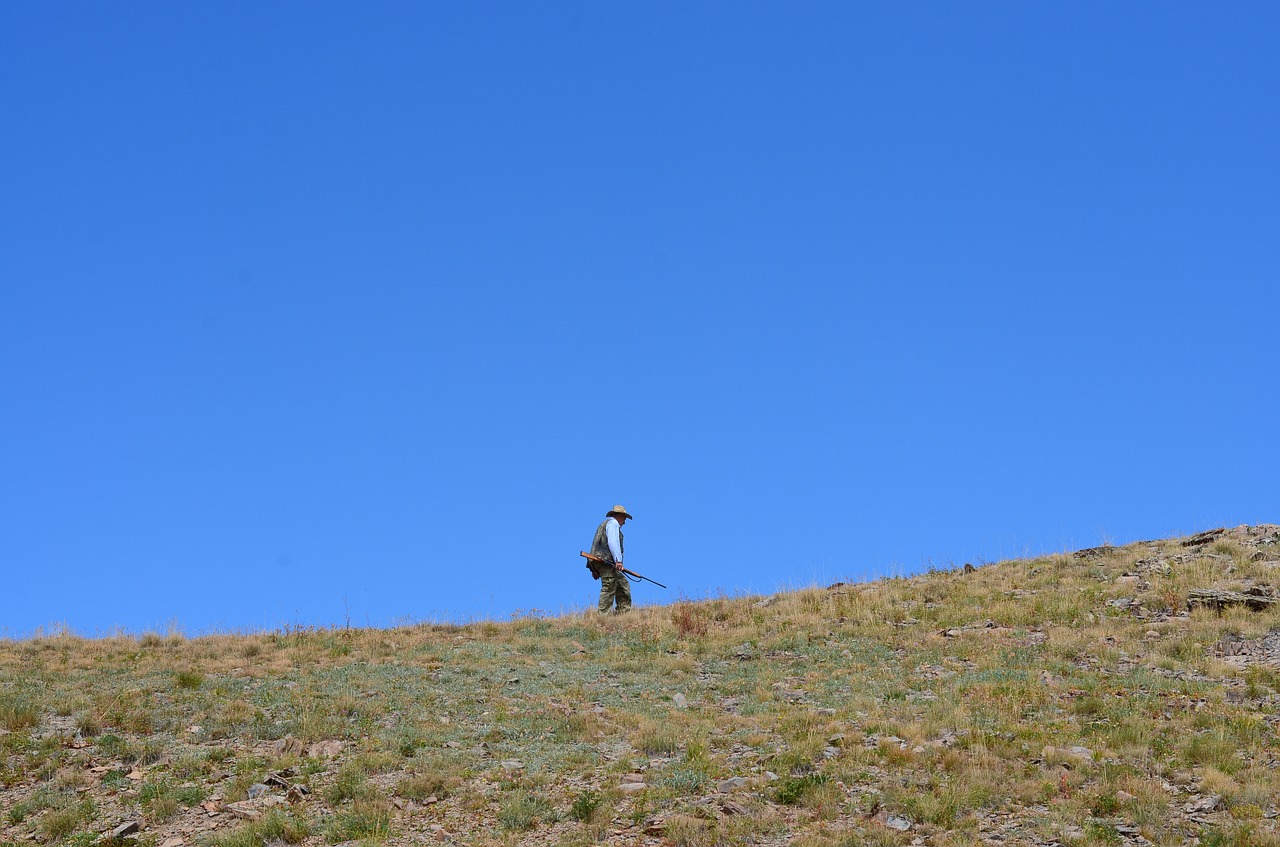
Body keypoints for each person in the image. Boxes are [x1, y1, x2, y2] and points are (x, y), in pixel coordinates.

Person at [590, 505, 633, 614]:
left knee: (622, 585)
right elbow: (613, 542)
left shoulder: (603, 525)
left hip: (601, 562)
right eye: (624, 518)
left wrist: (594, 569)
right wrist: (618, 560)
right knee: (609, 587)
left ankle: (623, 614)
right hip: (607, 562)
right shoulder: (613, 524)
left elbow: (595, 546)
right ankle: (603, 616)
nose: (624, 522)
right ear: (619, 516)